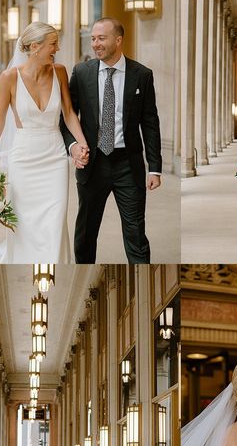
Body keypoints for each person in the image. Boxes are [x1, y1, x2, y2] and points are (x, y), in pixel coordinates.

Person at [0, 21, 89, 263]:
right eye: (53, 44)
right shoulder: (9, 78)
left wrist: (82, 144)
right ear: (35, 46)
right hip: (24, 158)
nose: (57, 48)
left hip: (54, 156)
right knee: (23, 222)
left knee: (55, 220)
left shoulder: (60, 71)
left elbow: (68, 112)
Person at [60, 17, 162, 264]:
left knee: (136, 233)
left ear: (118, 40)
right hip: (93, 164)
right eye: (93, 38)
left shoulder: (142, 75)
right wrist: (73, 147)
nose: (95, 44)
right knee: (85, 233)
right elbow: (67, 117)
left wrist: (155, 168)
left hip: (128, 164)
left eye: (101, 38)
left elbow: (150, 122)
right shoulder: (81, 72)